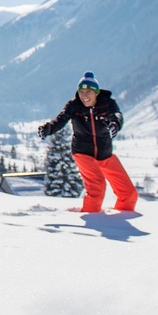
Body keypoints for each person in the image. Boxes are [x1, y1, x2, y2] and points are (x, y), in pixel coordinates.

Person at [37, 71, 138, 213]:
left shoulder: (107, 104)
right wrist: (48, 129)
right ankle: (91, 220)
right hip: (83, 152)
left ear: (96, 92)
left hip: (105, 154)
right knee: (97, 187)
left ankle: (121, 219)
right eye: (81, 92)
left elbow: (117, 115)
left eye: (88, 92)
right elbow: (60, 120)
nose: (84, 96)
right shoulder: (74, 105)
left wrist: (115, 124)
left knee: (129, 193)